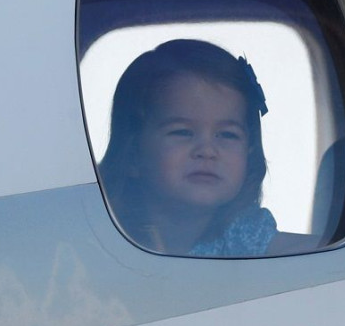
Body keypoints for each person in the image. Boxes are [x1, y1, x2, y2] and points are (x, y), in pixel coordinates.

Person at [98, 39, 316, 257]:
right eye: (182, 132)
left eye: (227, 135)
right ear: (133, 154)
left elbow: (301, 254)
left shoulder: (243, 238)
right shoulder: (100, 238)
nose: (207, 151)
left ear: (249, 153)